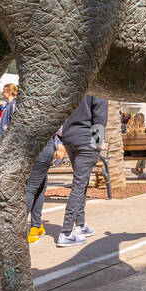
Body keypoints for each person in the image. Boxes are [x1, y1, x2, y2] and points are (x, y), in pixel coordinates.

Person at [56, 94, 108, 246]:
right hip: (86, 139)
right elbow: (100, 117)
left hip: (69, 137)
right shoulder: (99, 89)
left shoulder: (76, 87)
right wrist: (98, 143)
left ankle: (80, 225)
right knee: (79, 184)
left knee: (81, 182)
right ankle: (66, 232)